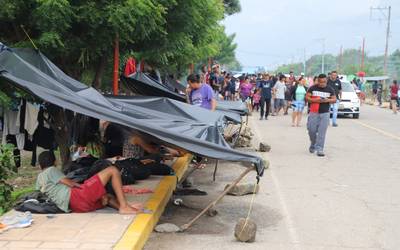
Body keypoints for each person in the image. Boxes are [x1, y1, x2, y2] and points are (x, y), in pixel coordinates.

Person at [35, 151, 140, 214]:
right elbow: (70, 183)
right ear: (55, 162)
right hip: (76, 196)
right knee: (112, 170)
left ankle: (124, 207)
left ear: (40, 165)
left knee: (106, 196)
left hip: (75, 206)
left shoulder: (39, 178)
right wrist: (85, 186)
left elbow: (39, 193)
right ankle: (124, 206)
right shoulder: (51, 170)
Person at [306, 74, 336, 157]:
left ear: (326, 81)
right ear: (318, 81)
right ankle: (313, 143)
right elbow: (307, 98)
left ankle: (320, 149)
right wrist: (315, 100)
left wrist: (327, 100)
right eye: (321, 82)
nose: (322, 83)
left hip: (325, 113)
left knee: (322, 132)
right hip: (313, 112)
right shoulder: (312, 88)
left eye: (324, 82)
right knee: (311, 130)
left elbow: (334, 99)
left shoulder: (330, 89)